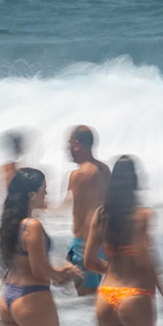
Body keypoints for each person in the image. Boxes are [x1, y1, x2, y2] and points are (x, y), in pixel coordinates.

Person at [83, 155, 163, 326]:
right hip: (136, 296)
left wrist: (112, 268)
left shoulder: (101, 215)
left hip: (106, 296)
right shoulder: (143, 216)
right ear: (135, 181)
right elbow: (148, 262)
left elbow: (88, 261)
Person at [0, 167, 80, 326]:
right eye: (44, 188)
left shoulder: (10, 223)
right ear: (31, 194)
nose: (47, 193)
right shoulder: (32, 226)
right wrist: (65, 273)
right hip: (31, 297)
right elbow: (40, 272)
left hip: (7, 298)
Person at [64, 125, 111, 297]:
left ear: (77, 144)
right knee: (100, 300)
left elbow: (66, 206)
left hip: (83, 245)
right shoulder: (105, 170)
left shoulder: (78, 175)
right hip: (103, 244)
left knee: (86, 301)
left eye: (69, 143)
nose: (66, 148)